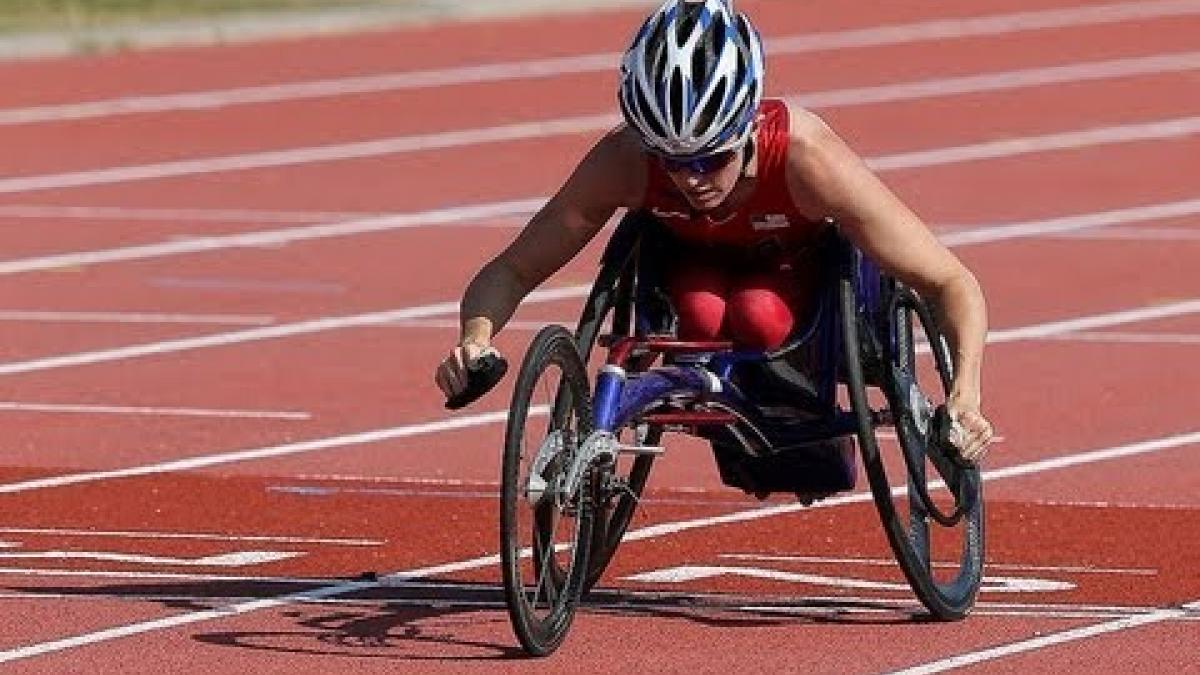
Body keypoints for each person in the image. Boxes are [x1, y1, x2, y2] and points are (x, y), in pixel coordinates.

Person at [434, 0, 995, 462]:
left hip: (796, 274)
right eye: (671, 162)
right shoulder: (625, 161)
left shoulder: (807, 158)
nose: (691, 179)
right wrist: (474, 340)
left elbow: (951, 281)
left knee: (758, 313)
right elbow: (513, 267)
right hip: (686, 269)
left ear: (748, 125)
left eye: (711, 159)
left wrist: (964, 395)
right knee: (702, 314)